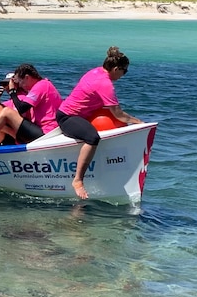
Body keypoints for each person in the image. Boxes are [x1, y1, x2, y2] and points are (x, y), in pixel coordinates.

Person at [56, 46, 143, 199]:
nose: (124, 75)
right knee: (93, 138)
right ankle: (77, 180)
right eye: (125, 71)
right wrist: (140, 123)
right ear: (116, 68)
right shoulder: (105, 84)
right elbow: (119, 115)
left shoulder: (96, 71)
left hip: (77, 115)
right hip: (67, 118)